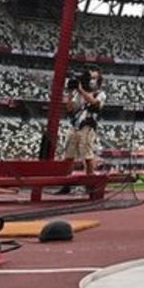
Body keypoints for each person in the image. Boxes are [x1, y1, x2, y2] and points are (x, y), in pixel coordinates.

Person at [54, 65, 106, 195]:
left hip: (87, 127)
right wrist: (72, 92)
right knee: (68, 157)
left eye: (94, 78)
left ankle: (90, 184)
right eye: (90, 77)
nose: (91, 80)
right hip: (75, 126)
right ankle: (67, 184)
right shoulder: (77, 92)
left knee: (87, 157)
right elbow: (70, 108)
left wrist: (80, 90)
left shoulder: (101, 93)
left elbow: (94, 103)